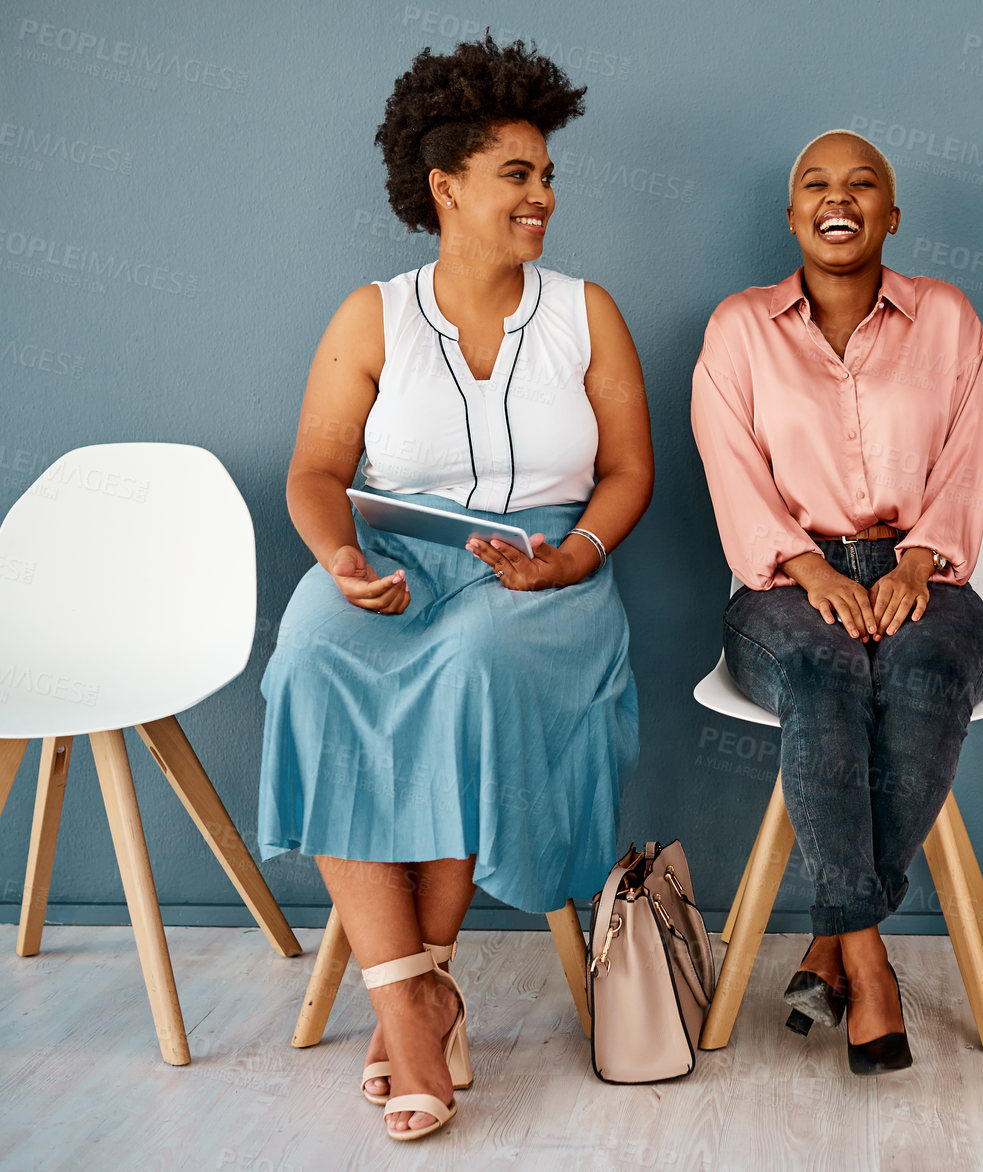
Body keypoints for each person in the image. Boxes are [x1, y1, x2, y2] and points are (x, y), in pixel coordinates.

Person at [257, 36, 651, 1141]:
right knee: (313, 659)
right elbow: (315, 470)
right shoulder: (372, 314)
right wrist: (340, 559)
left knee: (478, 666)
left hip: (543, 571)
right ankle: (414, 991)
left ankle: (414, 1001)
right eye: (517, 174)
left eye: (545, 175)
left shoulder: (586, 312)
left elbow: (627, 470)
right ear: (446, 187)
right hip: (390, 555)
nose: (543, 196)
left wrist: (572, 555)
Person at [691, 129, 983, 1075]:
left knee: (928, 672)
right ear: (791, 218)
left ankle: (831, 940)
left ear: (890, 217)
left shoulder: (948, 319)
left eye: (863, 184)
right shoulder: (738, 327)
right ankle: (865, 958)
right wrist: (812, 570)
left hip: (924, 573)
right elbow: (732, 473)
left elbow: (964, 465)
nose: (839, 197)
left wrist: (917, 564)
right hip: (783, 585)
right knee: (824, 675)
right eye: (817, 185)